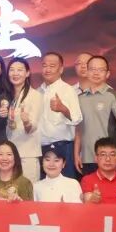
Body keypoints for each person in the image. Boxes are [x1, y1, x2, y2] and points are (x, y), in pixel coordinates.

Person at [38, 51, 82, 180]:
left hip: (62, 147)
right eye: (44, 65)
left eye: (52, 66)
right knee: (44, 187)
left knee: (65, 186)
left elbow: (77, 118)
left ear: (61, 69)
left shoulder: (68, 90)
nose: (47, 69)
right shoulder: (37, 91)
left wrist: (63, 109)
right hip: (41, 148)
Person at [74, 55, 116, 176]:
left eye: (100, 70)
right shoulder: (80, 98)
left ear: (107, 74)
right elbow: (78, 130)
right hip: (86, 157)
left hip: (108, 157)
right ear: (87, 72)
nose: (96, 73)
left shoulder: (113, 95)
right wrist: (76, 154)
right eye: (92, 69)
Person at [5, 58, 43, 182]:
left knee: (28, 190)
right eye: (12, 70)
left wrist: (26, 122)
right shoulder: (8, 97)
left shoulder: (35, 95)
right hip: (10, 154)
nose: (15, 73)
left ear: (27, 73)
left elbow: (33, 127)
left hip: (28, 154)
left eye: (20, 70)